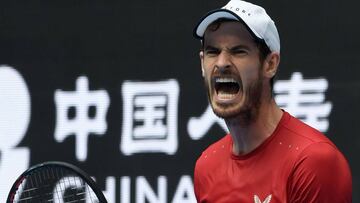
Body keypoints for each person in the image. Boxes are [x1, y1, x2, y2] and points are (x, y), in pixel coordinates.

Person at [192, 0, 352, 202]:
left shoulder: (312, 161)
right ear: (202, 63)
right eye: (212, 52)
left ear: (270, 64)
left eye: (238, 51)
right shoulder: (207, 166)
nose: (222, 63)